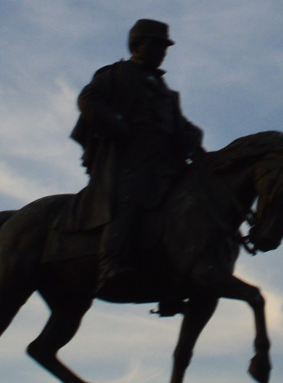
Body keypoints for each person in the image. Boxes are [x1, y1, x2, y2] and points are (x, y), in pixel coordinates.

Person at [69, 19, 204, 292]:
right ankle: (109, 264)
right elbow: (88, 100)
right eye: (156, 45)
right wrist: (118, 126)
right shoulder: (115, 74)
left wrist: (193, 136)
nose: (162, 52)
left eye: (164, 47)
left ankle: (174, 274)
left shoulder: (165, 90)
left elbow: (177, 123)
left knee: (189, 201)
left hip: (164, 160)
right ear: (137, 45)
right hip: (127, 156)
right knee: (129, 197)